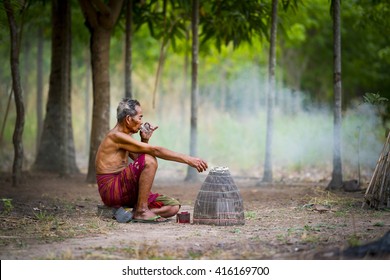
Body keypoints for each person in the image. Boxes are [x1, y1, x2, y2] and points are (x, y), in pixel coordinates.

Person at [95, 98, 208, 223]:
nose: (141, 122)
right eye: (140, 118)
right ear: (128, 119)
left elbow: (139, 161)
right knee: (150, 159)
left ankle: (131, 213)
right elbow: (153, 153)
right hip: (111, 190)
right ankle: (142, 211)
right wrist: (188, 159)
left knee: (173, 207)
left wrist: (144, 141)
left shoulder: (126, 137)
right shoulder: (116, 136)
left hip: (124, 189)